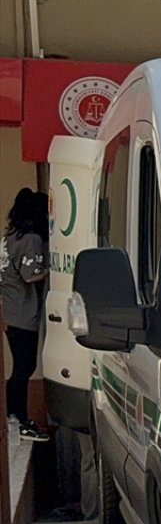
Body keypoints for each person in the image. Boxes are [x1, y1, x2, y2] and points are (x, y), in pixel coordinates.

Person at [3, 188, 51, 442]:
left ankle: (15, 417)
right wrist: (51, 270)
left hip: (11, 312)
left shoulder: (10, 236)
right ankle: (17, 418)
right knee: (25, 366)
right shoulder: (31, 239)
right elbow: (30, 275)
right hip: (24, 313)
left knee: (21, 365)